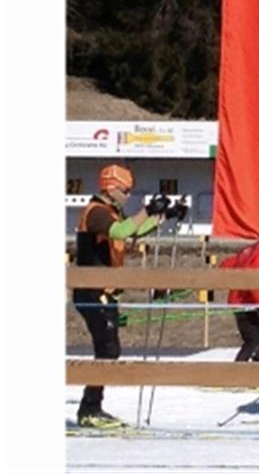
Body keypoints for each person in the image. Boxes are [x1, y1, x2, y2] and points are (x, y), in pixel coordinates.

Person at [73, 163, 187, 428]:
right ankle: (89, 409)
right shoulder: (97, 212)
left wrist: (164, 216)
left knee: (109, 349)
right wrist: (147, 210)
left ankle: (92, 406)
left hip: (105, 290)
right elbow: (120, 231)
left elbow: (133, 230)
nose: (129, 195)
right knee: (108, 348)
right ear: (111, 188)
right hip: (91, 289)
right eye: (126, 190)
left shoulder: (111, 210)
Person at [220, 239, 259, 362]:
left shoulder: (252, 249)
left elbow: (228, 263)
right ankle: (251, 365)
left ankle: (255, 361)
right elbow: (253, 278)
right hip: (247, 301)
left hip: (240, 299)